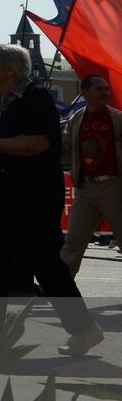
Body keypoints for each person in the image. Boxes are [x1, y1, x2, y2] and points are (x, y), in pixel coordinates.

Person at [0, 44, 103, 355]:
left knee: (46, 264)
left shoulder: (35, 98)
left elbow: (40, 143)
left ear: (10, 69)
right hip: (3, 197)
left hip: (33, 197)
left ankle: (84, 329)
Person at [60, 75, 122, 276]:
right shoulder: (76, 118)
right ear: (84, 93)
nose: (105, 92)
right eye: (99, 89)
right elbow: (65, 148)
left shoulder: (118, 119)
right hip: (85, 189)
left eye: (106, 89)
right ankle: (60, 291)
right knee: (73, 244)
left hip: (113, 187)